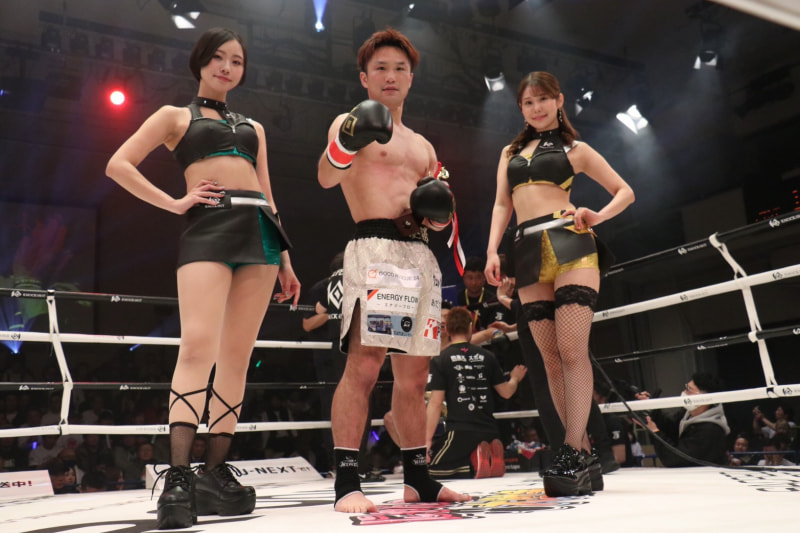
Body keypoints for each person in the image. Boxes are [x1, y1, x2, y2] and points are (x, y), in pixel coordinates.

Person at [106, 27, 300, 529]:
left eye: (237, 60)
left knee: (237, 357)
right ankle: (178, 476)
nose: (227, 67)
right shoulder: (174, 116)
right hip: (208, 229)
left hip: (260, 234)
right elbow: (118, 164)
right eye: (218, 57)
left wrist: (285, 258)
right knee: (196, 348)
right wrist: (175, 203)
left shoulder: (254, 127)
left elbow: (268, 192)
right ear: (200, 62)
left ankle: (214, 473)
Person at [317, 27, 469, 513]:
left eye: (400, 68)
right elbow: (325, 176)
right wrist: (347, 140)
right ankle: (347, 480)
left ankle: (417, 478)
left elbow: (438, 215)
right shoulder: (349, 121)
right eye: (380, 67)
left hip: (419, 256)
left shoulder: (424, 146)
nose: (391, 76)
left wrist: (437, 213)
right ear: (364, 77)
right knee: (364, 366)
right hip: (375, 249)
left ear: (411, 78)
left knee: (415, 376)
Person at [484, 71, 634, 496]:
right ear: (521, 108)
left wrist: (597, 215)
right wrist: (492, 250)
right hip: (526, 250)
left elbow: (624, 191)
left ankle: (570, 449)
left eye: (543, 99)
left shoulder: (576, 149)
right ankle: (582, 453)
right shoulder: (510, 152)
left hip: (571, 243)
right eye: (529, 102)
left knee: (571, 350)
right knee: (550, 360)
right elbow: (501, 203)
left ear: (559, 101)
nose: (537, 108)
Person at [426, 306, 527, 479]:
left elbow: (435, 403)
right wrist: (515, 378)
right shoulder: (487, 356)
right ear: (470, 328)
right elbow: (506, 392)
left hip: (459, 431)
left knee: (427, 471)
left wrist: (426, 441)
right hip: (490, 430)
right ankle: (485, 459)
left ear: (447, 330)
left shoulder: (440, 359)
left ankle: (474, 465)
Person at [637, 372, 730, 467]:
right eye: (686, 387)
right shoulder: (687, 415)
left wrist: (654, 432)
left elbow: (676, 459)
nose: (684, 392)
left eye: (689, 390)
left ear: (704, 398)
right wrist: (652, 407)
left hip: (707, 474)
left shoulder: (710, 429)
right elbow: (671, 429)